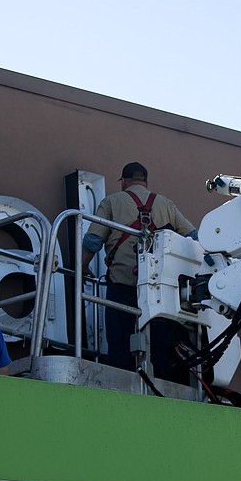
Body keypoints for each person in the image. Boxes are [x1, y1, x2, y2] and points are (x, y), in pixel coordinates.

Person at [81, 161, 197, 382]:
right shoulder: (166, 204)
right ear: (145, 181)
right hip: (160, 290)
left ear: (123, 181)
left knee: (120, 342)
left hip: (123, 283)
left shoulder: (112, 202)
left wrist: (83, 267)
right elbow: (193, 236)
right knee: (159, 344)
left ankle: (123, 382)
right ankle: (160, 381)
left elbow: (93, 241)